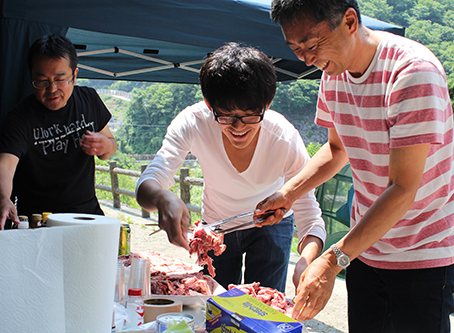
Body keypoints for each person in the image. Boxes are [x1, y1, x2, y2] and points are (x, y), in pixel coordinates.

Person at [255, 0, 454, 331]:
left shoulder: (412, 72)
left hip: (423, 247)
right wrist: (288, 193)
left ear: (350, 21)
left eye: (311, 44)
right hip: (365, 242)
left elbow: (403, 187)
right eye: (295, 48)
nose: (307, 59)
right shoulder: (333, 71)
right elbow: (337, 148)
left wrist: (330, 261)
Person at [135, 42, 325, 292]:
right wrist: (161, 198)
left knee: (263, 307)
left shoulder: (283, 138)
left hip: (272, 224)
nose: (238, 127)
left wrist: (307, 260)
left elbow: (309, 213)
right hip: (217, 223)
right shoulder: (193, 122)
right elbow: (151, 179)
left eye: (249, 116)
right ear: (209, 104)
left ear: (266, 106)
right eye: (225, 116)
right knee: (214, 302)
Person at [0, 34, 117, 229]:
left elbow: (109, 147)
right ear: (31, 78)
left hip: (86, 216)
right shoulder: (20, 117)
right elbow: (4, 165)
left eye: (60, 79)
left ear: (74, 76)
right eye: (41, 81)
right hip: (39, 221)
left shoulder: (89, 100)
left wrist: (105, 145)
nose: (52, 89)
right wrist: (2, 198)